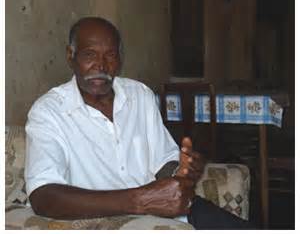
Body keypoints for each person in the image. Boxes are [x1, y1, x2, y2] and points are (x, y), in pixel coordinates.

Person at [25, 16, 253, 229]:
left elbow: (163, 161)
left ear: (120, 59)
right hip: (109, 221)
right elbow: (43, 197)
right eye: (89, 55)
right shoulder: (49, 112)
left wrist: (181, 169)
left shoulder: (139, 95)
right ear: (70, 56)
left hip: (170, 212)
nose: (101, 66)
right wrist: (139, 200)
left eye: (110, 55)